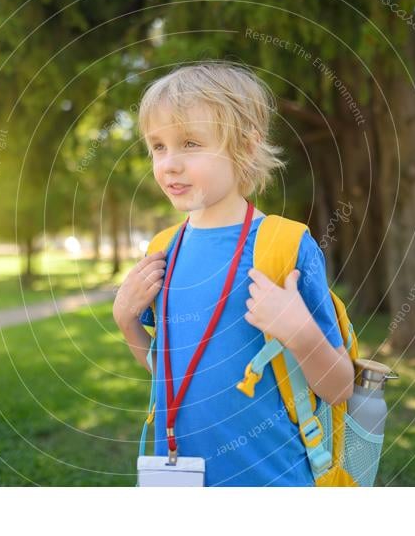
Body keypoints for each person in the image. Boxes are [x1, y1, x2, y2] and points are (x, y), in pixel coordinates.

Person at [112, 62, 354, 487]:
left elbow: (339, 387)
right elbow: (171, 374)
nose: (169, 164)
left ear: (245, 145)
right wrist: (126, 322)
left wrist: (299, 331)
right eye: (158, 146)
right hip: (182, 483)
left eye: (189, 143)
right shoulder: (162, 250)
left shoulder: (284, 245)